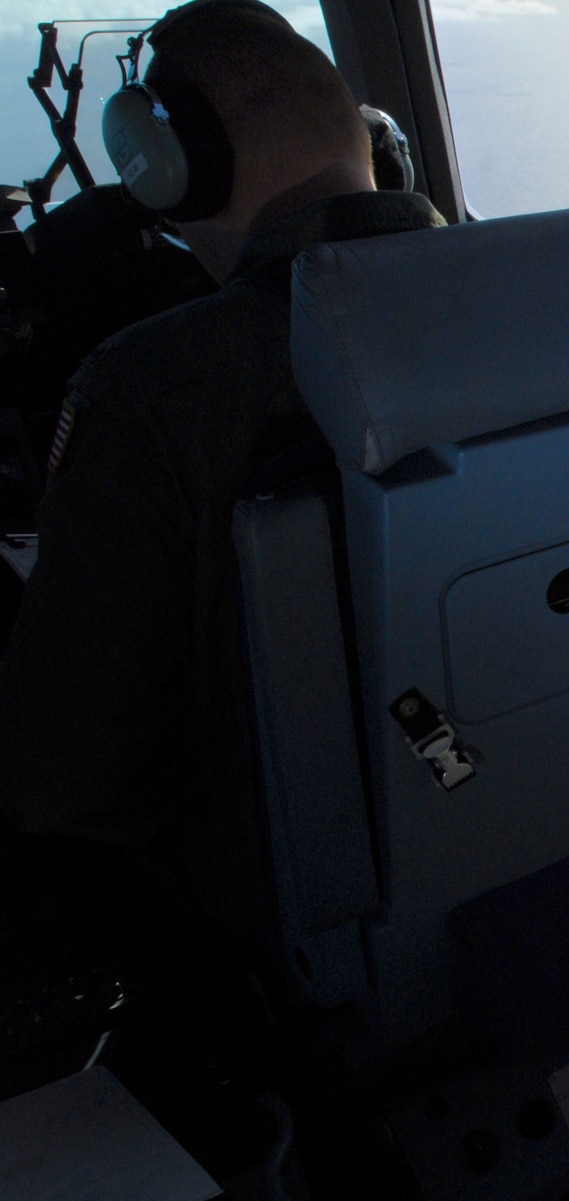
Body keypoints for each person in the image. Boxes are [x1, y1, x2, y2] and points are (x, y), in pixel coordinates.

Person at [0, 0, 442, 917]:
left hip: (305, 911)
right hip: (533, 804)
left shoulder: (152, 388)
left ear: (172, 169)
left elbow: (66, 781)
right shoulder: (560, 301)